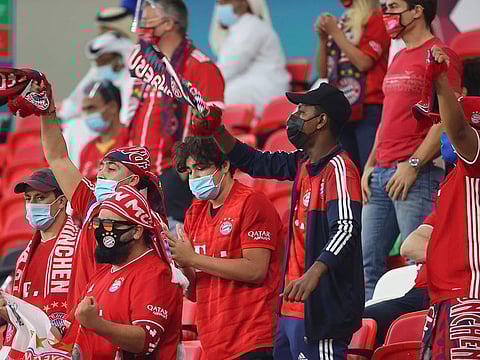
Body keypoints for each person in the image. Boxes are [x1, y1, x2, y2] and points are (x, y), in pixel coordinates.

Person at [191, 83, 364, 359]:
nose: (294, 117)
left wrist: (314, 274)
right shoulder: (302, 164)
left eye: (302, 111)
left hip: (320, 310)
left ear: (321, 121)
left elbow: (346, 229)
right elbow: (253, 161)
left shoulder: (340, 169)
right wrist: (217, 132)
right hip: (289, 311)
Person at [38, 77, 179, 315]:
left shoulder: (151, 226)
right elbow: (58, 157)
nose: (100, 174)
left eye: (111, 169)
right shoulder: (91, 201)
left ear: (133, 180)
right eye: (101, 167)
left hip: (119, 321)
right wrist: (47, 110)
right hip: (81, 320)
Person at [360, 0, 462, 300]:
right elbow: (386, 119)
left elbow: (447, 119)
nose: (386, 15)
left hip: (415, 176)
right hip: (381, 174)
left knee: (415, 264)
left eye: (393, 6)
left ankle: (412, 334)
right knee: (368, 267)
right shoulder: (399, 56)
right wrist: (370, 164)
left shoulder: (442, 54)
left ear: (418, 10)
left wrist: (413, 164)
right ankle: (373, 338)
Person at [165, 136, 283, 359]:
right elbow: (194, 292)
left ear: (225, 165)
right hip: (214, 342)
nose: (194, 177)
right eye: (190, 172)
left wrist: (193, 259)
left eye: (200, 168)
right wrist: (181, 262)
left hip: (253, 339)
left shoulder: (252, 202)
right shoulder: (194, 212)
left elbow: (256, 271)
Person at [129, 0, 225, 230]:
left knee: (174, 260)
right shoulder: (145, 68)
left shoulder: (201, 67)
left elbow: (211, 128)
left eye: (148, 21)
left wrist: (178, 176)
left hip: (172, 185)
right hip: (138, 181)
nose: (141, 28)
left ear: (170, 23)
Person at [68, 185, 182, 360]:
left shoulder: (155, 273)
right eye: (98, 224)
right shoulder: (103, 273)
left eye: (109, 225)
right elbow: (68, 327)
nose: (100, 232)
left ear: (137, 231)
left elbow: (145, 340)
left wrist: (97, 324)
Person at [418, 47, 480, 360]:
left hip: (470, 300)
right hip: (443, 300)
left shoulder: (476, 159)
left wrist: (441, 83)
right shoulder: (451, 179)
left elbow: (457, 129)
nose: (438, 127)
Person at [0, 168, 80, 348]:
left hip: (65, 347)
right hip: (29, 348)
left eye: (40, 197)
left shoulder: (80, 243)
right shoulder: (24, 254)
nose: (32, 204)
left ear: (61, 202)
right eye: (28, 199)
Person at [315, 0, 390, 173]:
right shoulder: (343, 21)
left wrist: (335, 32)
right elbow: (323, 72)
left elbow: (364, 63)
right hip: (341, 109)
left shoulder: (377, 18)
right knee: (349, 174)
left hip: (369, 106)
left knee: (371, 173)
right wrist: (323, 39)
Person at [59, 31, 135, 166]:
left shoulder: (133, 80)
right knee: (72, 127)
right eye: (98, 63)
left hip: (122, 131)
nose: (101, 67)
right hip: (98, 136)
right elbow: (71, 107)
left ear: (119, 58)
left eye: (105, 61)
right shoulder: (96, 76)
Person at [209, 0, 290, 116]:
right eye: (220, 3)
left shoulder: (251, 26)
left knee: (209, 100)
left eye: (226, 2)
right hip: (250, 87)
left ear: (244, 3)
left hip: (264, 92)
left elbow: (229, 67)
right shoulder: (238, 28)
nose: (221, 7)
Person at [363, 213, 433, 346]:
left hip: (456, 293)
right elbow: (409, 247)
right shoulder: (450, 208)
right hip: (420, 292)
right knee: (356, 324)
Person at [79, 80, 129, 180]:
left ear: (112, 107)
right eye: (84, 110)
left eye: (91, 108)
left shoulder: (132, 140)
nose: (87, 115)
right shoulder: (87, 150)